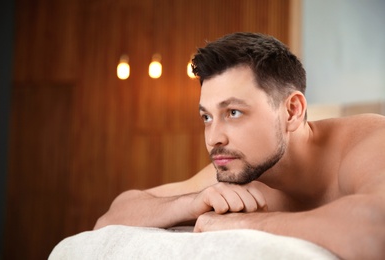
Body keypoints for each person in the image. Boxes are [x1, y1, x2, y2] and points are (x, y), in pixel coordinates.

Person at [94, 32, 385, 259]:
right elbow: (111, 218)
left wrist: (242, 225)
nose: (213, 138)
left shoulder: (370, 143)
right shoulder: (245, 171)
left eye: (233, 112)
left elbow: (377, 229)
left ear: (292, 111)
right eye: (207, 117)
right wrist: (191, 203)